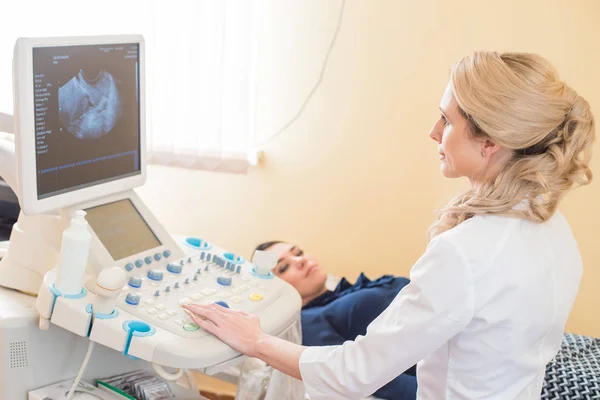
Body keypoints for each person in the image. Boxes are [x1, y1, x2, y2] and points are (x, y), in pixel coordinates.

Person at [183, 51, 596, 399]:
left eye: (447, 121)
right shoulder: (553, 228)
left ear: (490, 143)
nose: (433, 132)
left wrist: (254, 341)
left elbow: (355, 372)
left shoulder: (467, 251)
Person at [252, 240, 417, 399]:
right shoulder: (307, 322)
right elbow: (361, 375)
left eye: (298, 252)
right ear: (274, 290)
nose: (300, 260)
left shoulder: (347, 292)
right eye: (284, 267)